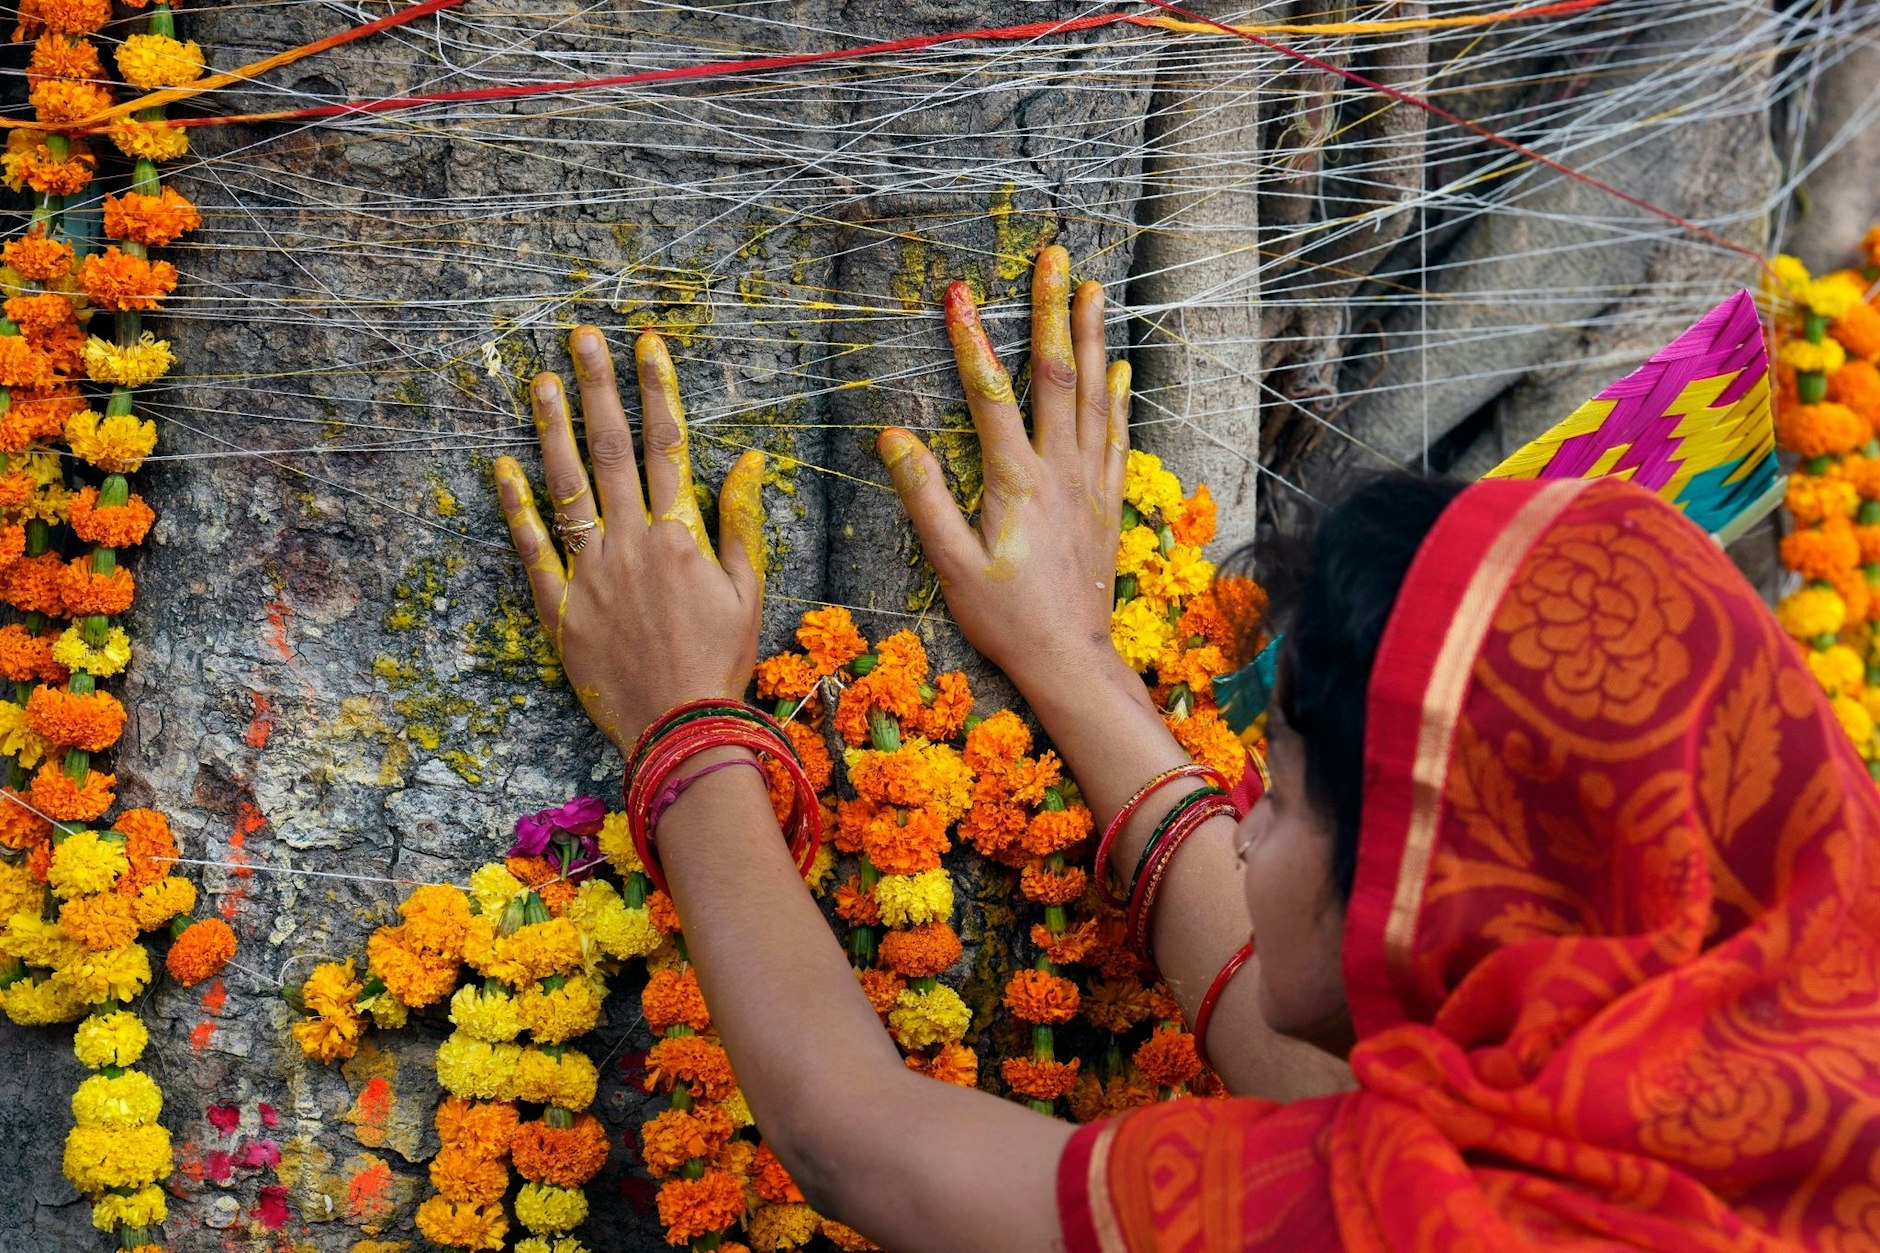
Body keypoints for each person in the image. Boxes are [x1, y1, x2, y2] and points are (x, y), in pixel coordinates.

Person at [491, 247, 1880, 1251]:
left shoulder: (1422, 1224)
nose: (1243, 828)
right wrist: (1074, 659)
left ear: (1424, 886)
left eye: (1268, 800)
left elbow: (861, 1142)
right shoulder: (1768, 1099)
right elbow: (1313, 1074)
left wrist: (680, 717)